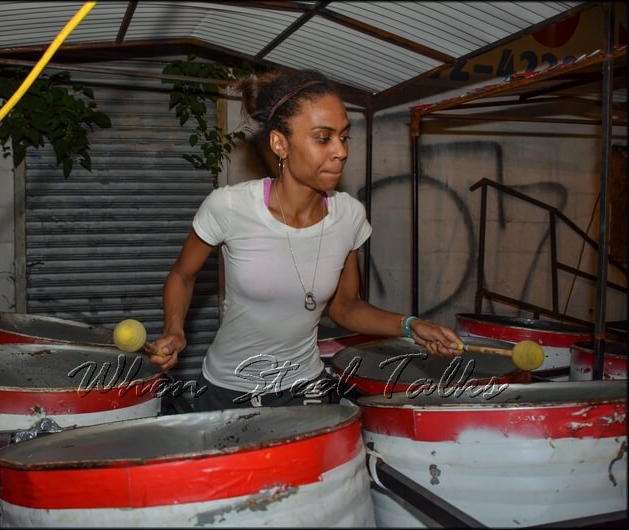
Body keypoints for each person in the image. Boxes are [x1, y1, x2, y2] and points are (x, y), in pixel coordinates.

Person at [149, 69, 462, 411]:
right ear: (280, 144)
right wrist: (175, 328)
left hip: (306, 390)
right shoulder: (229, 206)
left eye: (345, 137)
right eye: (323, 138)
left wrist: (410, 325)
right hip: (229, 388)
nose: (340, 151)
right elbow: (182, 275)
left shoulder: (350, 216)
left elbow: (346, 307)